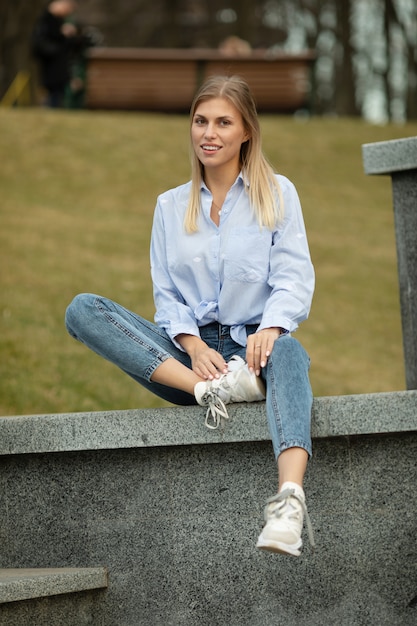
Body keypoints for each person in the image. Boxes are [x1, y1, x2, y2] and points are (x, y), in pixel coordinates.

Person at [65, 75, 315, 557]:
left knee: (290, 351)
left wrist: (271, 328)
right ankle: (211, 393)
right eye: (201, 121)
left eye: (224, 122)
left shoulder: (278, 193)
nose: (209, 133)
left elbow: (293, 277)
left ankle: (288, 505)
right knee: (83, 310)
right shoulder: (170, 205)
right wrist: (194, 347)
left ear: (247, 131)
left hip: (254, 350)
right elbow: (167, 294)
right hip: (185, 364)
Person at [32, 0, 78, 108]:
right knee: (53, 89)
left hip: (56, 62)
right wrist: (63, 35)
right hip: (52, 62)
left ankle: (54, 107)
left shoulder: (57, 21)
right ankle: (51, 107)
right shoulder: (47, 21)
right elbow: (42, 42)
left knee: (57, 90)